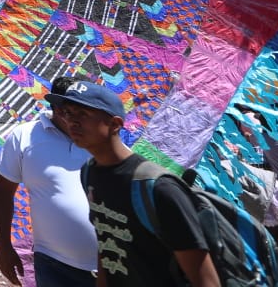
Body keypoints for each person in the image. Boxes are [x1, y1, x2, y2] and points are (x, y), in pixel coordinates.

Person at [48, 79, 217, 287]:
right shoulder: (90, 174)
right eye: (68, 113)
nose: (72, 121)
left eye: (83, 114)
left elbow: (205, 280)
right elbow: (107, 243)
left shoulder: (158, 187)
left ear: (115, 124)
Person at [0, 77, 96, 287]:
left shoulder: (98, 136)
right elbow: (2, 192)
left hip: (107, 262)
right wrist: (3, 247)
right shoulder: (24, 137)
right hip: (54, 266)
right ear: (56, 109)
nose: (77, 119)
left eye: (83, 112)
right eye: (69, 111)